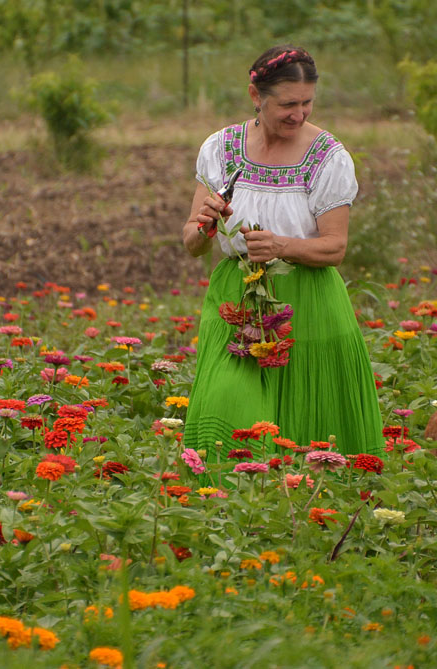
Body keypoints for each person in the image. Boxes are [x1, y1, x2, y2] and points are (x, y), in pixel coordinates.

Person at [181, 45, 384, 457]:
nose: (300, 114)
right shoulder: (221, 149)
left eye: (307, 103)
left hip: (307, 303)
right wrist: (205, 223)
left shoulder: (327, 157)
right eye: (288, 104)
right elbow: (192, 244)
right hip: (236, 301)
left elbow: (335, 248)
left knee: (307, 426)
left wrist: (281, 246)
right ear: (257, 97)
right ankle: (223, 511)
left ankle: (297, 512)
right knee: (228, 407)